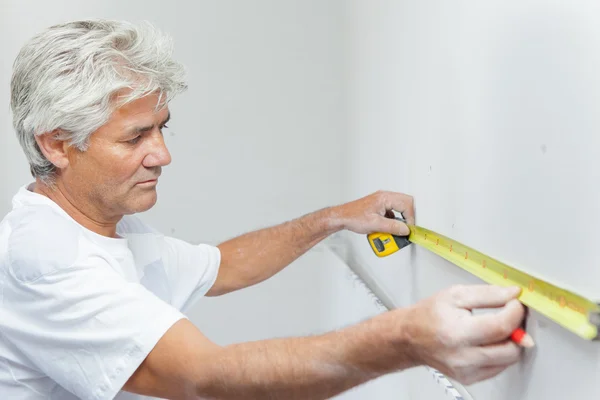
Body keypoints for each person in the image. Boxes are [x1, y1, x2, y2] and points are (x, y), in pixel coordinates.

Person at [0, 19, 526, 400]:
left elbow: (223, 265)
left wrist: (331, 218)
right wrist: (405, 338)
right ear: (57, 145)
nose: (162, 154)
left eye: (162, 127)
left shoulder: (102, 225)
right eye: (136, 136)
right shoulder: (49, 260)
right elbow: (201, 377)